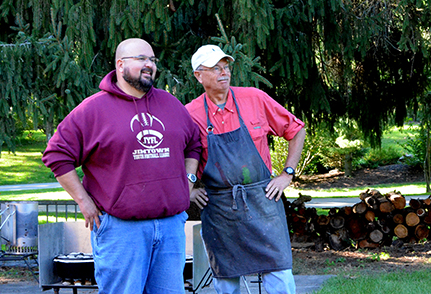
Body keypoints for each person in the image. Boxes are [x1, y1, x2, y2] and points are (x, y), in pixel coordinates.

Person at [42, 38, 201, 294]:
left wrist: (188, 180)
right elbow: (57, 155)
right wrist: (83, 201)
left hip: (171, 227)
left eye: (152, 59)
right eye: (141, 59)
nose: (149, 65)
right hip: (121, 230)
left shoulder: (171, 105)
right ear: (120, 64)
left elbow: (194, 143)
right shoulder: (93, 110)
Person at [185, 45, 306, 294]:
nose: (223, 73)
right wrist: (189, 191)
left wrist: (287, 174)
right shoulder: (189, 114)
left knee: (279, 271)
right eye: (215, 68)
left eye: (226, 67)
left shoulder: (254, 98)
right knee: (226, 277)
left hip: (263, 200)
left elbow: (296, 130)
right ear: (199, 75)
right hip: (219, 209)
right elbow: (179, 156)